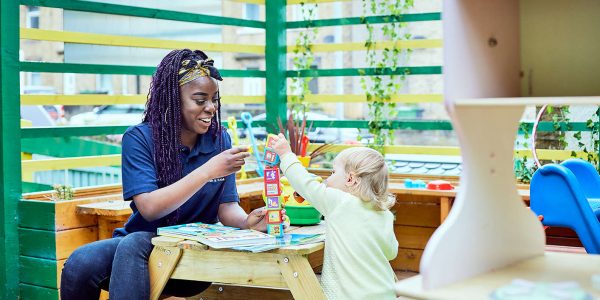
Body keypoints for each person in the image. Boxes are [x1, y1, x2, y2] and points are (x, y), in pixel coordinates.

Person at [60, 49, 269, 300]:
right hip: (143, 241)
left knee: (133, 244)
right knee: (79, 263)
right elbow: (149, 208)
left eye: (214, 99)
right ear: (173, 101)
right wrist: (207, 171)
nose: (211, 107)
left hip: (193, 252)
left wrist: (247, 222)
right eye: (200, 100)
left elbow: (226, 207)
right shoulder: (140, 139)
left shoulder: (219, 140)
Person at [271, 134, 399, 300]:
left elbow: (304, 183)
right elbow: (391, 253)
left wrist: (286, 155)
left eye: (333, 172)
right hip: (385, 293)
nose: (328, 178)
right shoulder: (384, 214)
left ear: (350, 179)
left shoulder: (338, 202)